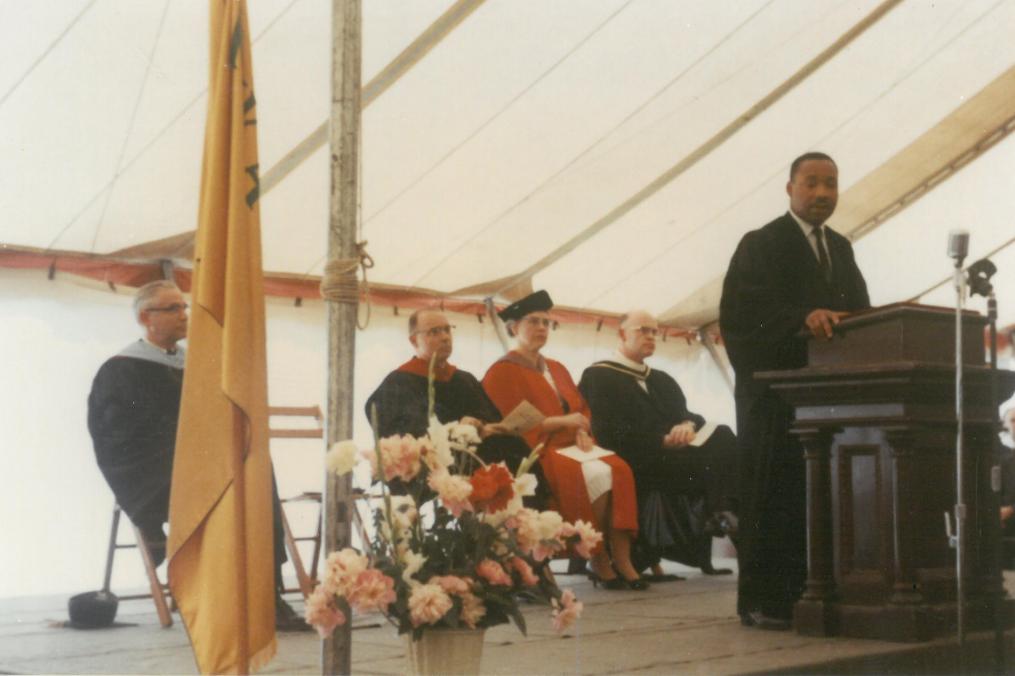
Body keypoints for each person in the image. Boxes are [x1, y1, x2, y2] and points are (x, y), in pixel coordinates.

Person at [87, 280, 309, 630]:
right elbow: (117, 437)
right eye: (172, 308)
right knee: (230, 478)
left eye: (183, 306)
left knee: (256, 468)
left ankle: (266, 594)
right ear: (146, 317)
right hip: (151, 470)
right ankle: (226, 597)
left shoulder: (198, 363)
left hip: (203, 462)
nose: (183, 314)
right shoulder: (121, 369)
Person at [719, 152, 870, 630]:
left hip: (829, 398)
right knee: (777, 495)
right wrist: (800, 320)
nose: (823, 193)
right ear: (790, 188)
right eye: (812, 183)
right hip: (776, 399)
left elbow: (861, 312)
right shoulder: (761, 244)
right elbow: (741, 316)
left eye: (831, 184)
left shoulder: (841, 248)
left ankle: (826, 592)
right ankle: (768, 601)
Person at [482, 290, 646, 590]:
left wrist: (583, 430)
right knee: (589, 473)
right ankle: (596, 557)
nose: (542, 328)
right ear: (513, 327)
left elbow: (580, 407)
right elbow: (511, 423)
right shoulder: (502, 371)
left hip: (575, 443)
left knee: (619, 469)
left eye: (547, 322)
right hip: (540, 449)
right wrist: (560, 422)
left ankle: (622, 558)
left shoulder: (556, 367)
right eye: (534, 321)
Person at [579, 309, 739, 580]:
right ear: (621, 334)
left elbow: (686, 414)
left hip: (674, 457)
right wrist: (660, 441)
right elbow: (606, 431)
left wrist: (686, 426)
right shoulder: (599, 377)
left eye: (654, 331)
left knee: (722, 434)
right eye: (642, 330)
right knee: (717, 458)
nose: (651, 336)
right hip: (635, 457)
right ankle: (721, 512)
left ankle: (719, 508)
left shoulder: (662, 379)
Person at [365, 308, 540, 491]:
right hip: (440, 476)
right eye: (435, 332)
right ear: (414, 340)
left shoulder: (464, 379)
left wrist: (484, 425)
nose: (445, 337)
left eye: (447, 330)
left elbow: (490, 415)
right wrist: (460, 428)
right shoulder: (399, 382)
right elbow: (406, 430)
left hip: (482, 462)